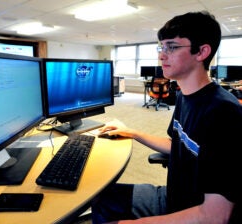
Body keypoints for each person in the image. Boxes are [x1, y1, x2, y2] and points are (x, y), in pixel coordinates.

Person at [91, 11, 242, 224]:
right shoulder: (183, 96)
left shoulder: (223, 113)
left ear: (201, 52)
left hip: (194, 211)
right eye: (161, 47)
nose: (162, 55)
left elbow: (215, 216)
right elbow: (177, 146)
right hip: (173, 197)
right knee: (101, 197)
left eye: (172, 47)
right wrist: (133, 132)